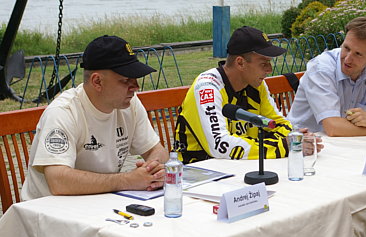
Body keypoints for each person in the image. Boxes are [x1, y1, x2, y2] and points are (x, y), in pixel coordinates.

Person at [21, 35, 168, 201]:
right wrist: (128, 180)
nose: (135, 87)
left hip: (99, 204)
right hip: (49, 213)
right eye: (126, 80)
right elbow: (58, 180)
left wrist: (153, 170)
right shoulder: (63, 112)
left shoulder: (129, 103)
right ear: (97, 81)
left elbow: (156, 150)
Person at [174, 26, 294, 164]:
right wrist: (282, 146)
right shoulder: (207, 88)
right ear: (240, 62)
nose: (269, 69)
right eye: (263, 63)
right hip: (199, 170)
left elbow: (280, 125)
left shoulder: (257, 85)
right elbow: (220, 145)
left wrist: (294, 139)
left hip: (239, 165)